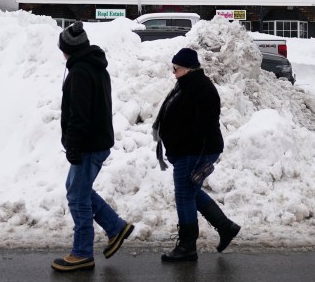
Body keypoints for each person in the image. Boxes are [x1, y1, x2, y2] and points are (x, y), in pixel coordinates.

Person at [52, 21, 134, 273]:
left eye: (62, 48)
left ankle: (82, 252)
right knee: (79, 190)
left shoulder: (80, 72)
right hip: (96, 141)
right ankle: (115, 227)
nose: (61, 52)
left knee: (77, 196)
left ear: (69, 49)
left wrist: (73, 146)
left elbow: (79, 114)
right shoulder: (94, 67)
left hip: (88, 144)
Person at [152, 47, 240, 263]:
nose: (173, 72)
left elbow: (205, 125)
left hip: (194, 151)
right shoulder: (185, 84)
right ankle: (226, 227)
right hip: (186, 150)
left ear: (188, 68)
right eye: (173, 68)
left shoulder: (202, 88)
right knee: (190, 192)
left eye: (176, 68)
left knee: (184, 195)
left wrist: (196, 155)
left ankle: (187, 246)